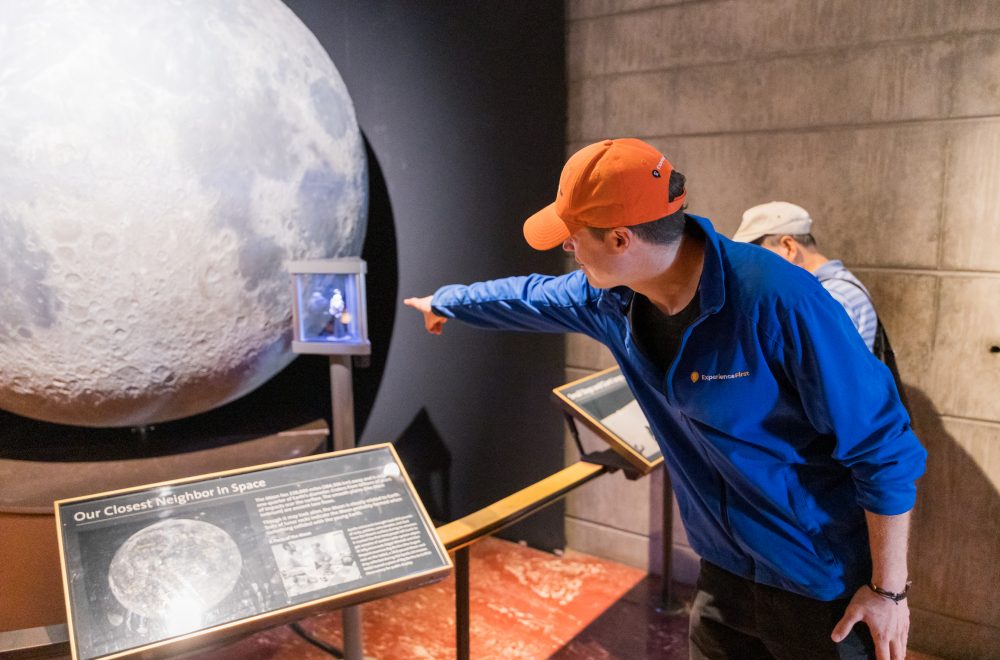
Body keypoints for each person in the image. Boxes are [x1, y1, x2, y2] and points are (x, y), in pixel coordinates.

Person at [405, 138, 925, 660]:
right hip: (723, 572)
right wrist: (446, 303)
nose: (567, 249)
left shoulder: (777, 299)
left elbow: (884, 448)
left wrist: (889, 592)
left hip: (819, 581)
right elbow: (530, 295)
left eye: (573, 237)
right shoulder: (610, 298)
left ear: (620, 240)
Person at [733, 201, 877, 351]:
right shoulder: (836, 286)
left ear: (788, 247)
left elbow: (823, 364)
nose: (752, 266)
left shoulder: (828, 295)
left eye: (757, 255)